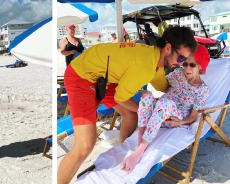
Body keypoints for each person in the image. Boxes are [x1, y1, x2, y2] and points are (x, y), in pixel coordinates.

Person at [57, 26, 197, 184]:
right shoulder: (145, 65)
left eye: (185, 61)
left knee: (131, 114)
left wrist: (188, 89)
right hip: (81, 75)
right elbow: (121, 98)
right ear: (168, 48)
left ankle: (124, 154)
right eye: (180, 59)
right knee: (85, 146)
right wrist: (148, 111)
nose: (181, 64)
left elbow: (164, 87)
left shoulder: (155, 60)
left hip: (104, 77)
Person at [121, 45, 210, 171]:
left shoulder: (202, 90)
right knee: (147, 97)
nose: (187, 68)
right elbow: (159, 80)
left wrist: (180, 121)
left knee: (165, 103)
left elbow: (192, 117)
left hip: (175, 118)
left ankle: (139, 151)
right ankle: (141, 140)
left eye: (192, 65)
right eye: (185, 64)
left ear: (201, 66)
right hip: (160, 112)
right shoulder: (178, 73)